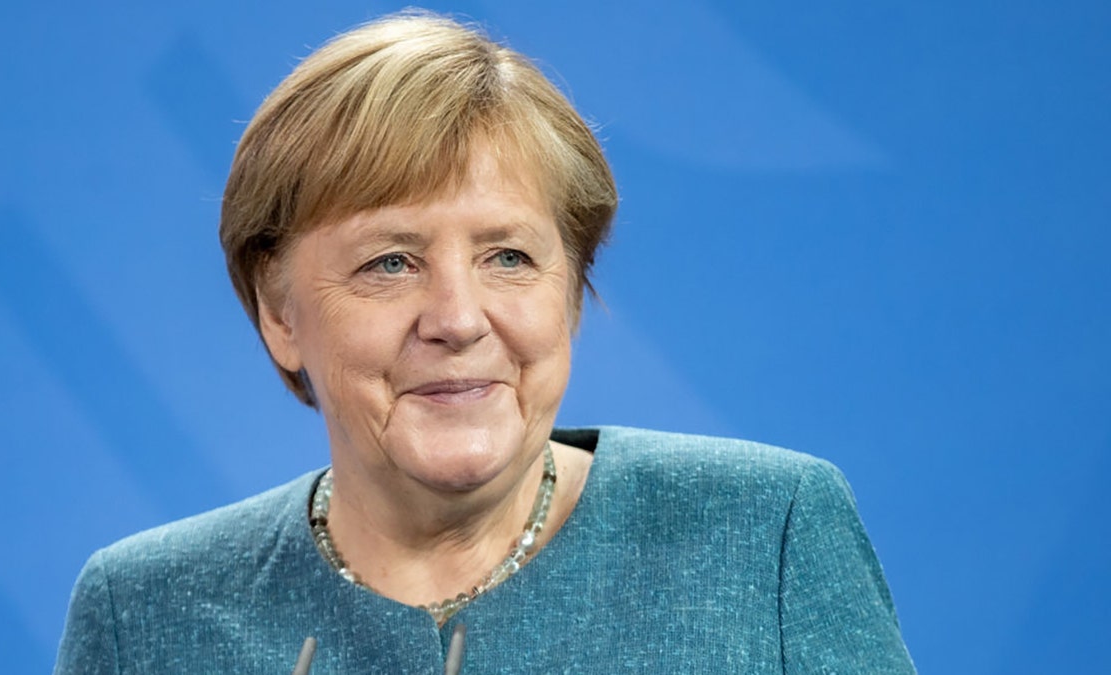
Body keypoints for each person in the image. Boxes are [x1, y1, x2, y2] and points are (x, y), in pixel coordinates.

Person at [54, 11, 915, 673]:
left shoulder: (763, 533)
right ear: (279, 311)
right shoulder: (146, 614)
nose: (458, 318)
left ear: (571, 289)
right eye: (390, 263)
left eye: (509, 256)